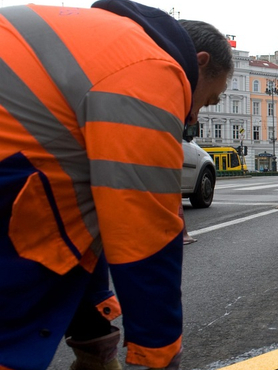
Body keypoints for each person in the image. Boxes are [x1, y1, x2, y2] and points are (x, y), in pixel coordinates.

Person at [0, 1, 232, 369]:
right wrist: (162, 356)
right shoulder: (151, 69)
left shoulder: (103, 42)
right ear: (198, 62)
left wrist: (95, 339)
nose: (194, 115)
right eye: (207, 100)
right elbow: (143, 229)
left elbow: (83, 215)